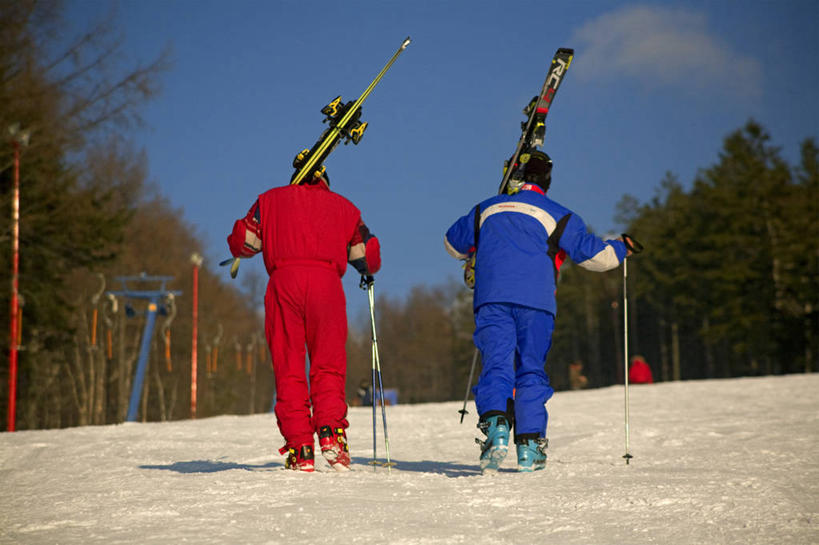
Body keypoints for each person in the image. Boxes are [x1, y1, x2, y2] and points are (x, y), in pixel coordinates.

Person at [444, 150, 634, 473]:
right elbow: (594, 257)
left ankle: (496, 428)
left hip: (492, 299)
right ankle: (530, 448)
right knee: (530, 369)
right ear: (547, 180)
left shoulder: (487, 208)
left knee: (498, 363)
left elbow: (452, 244)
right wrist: (622, 246)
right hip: (537, 303)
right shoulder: (560, 216)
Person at [227, 156, 381, 472]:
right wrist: (364, 268)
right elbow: (369, 254)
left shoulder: (268, 200)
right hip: (326, 285)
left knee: (289, 365)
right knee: (328, 363)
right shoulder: (344, 207)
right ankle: (331, 434)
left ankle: (300, 448)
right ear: (324, 180)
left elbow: (244, 241)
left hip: (284, 282)